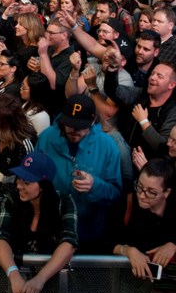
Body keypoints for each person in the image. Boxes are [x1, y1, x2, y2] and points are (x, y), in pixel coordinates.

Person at [35, 94, 122, 252]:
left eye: (80, 126)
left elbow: (115, 194)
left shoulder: (107, 145)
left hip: (89, 233)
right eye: (70, 124)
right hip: (52, 230)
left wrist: (94, 185)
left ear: (93, 121)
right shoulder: (46, 138)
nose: (74, 130)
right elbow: (34, 179)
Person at [0, 152, 78, 293]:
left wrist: (40, 279)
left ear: (42, 186)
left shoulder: (64, 202)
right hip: (15, 286)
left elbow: (69, 242)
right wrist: (13, 274)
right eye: (19, 179)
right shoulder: (11, 199)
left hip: (54, 288)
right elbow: (0, 237)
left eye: (26, 182)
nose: (19, 185)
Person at [112, 158, 176, 281]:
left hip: (167, 286)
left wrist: (174, 245)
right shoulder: (127, 203)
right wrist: (129, 251)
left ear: (166, 193)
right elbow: (107, 241)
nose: (141, 195)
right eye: (139, 186)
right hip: (125, 281)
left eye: (151, 192)